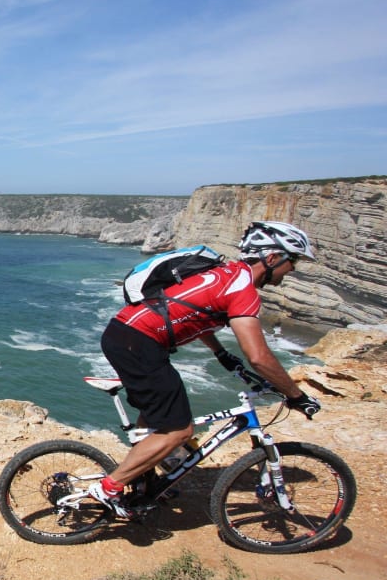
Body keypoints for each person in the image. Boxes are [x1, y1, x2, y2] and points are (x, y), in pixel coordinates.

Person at [89, 221, 322, 517]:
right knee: (179, 430)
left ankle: (143, 482)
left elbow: (197, 314)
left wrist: (221, 353)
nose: (292, 270)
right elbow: (259, 357)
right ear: (273, 258)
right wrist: (296, 396)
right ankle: (109, 488)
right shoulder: (243, 289)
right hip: (138, 343)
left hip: (130, 337)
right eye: (293, 261)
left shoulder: (228, 274)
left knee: (158, 418)